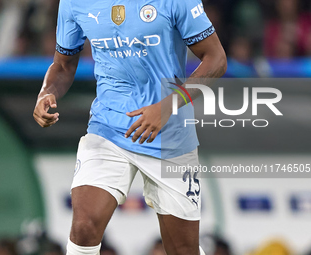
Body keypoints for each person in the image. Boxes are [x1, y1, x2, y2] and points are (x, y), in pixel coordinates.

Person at [33, 0, 227, 254]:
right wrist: (46, 93)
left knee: (182, 249)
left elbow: (216, 59)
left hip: (168, 134)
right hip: (108, 128)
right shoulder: (74, 3)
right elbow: (62, 65)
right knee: (84, 228)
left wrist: (167, 106)